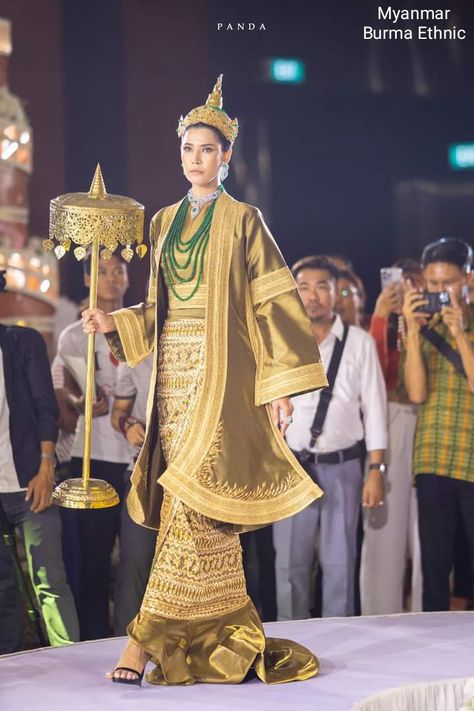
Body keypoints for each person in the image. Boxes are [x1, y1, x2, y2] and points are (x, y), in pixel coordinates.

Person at [82, 75, 328, 686]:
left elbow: (275, 301)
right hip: (172, 380)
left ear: (227, 158)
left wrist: (279, 388)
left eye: (208, 149)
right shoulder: (163, 221)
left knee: (192, 501)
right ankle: (227, 634)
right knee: (193, 513)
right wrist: (112, 320)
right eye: (188, 149)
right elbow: (160, 309)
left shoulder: (245, 219)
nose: (197, 159)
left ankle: (140, 644)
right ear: (180, 156)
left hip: (224, 381)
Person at [273, 256, 387, 619]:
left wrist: (376, 470)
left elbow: (376, 410)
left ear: (337, 293)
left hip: (344, 466)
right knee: (289, 567)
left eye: (322, 286)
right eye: (304, 287)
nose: (313, 295)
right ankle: (291, 642)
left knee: (340, 564)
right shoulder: (281, 340)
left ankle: (340, 645)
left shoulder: (360, 343)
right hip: (292, 467)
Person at [0, 270, 79, 652]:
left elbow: (46, 408)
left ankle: (69, 660)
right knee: (2, 586)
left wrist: (47, 466)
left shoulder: (22, 342)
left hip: (30, 478)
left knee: (50, 578)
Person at [56, 253, 132, 640]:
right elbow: (63, 397)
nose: (111, 278)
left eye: (118, 271)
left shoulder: (141, 329)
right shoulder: (73, 336)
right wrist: (80, 402)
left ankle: (132, 637)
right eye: (101, 271)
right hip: (94, 456)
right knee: (93, 561)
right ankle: (92, 639)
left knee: (137, 562)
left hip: (138, 459)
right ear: (86, 279)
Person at [402, 237, 474, 612]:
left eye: (447, 282)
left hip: (471, 459)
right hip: (433, 459)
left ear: (468, 279)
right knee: (434, 565)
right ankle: (431, 652)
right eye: (432, 283)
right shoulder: (422, 328)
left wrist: (461, 334)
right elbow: (416, 393)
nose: (439, 291)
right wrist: (413, 334)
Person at [360, 259, 423, 614]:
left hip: (430, 420)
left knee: (427, 532)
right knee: (384, 531)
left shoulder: (439, 319)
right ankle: (379, 615)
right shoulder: (380, 323)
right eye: (400, 281)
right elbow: (374, 378)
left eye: (416, 282)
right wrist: (382, 315)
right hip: (391, 416)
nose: (408, 289)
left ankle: (430, 616)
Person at [111, 354, 157, 636]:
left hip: (195, 470)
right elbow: (119, 411)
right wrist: (128, 425)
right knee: (135, 561)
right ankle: (124, 645)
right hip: (144, 470)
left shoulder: (206, 335)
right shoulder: (135, 350)